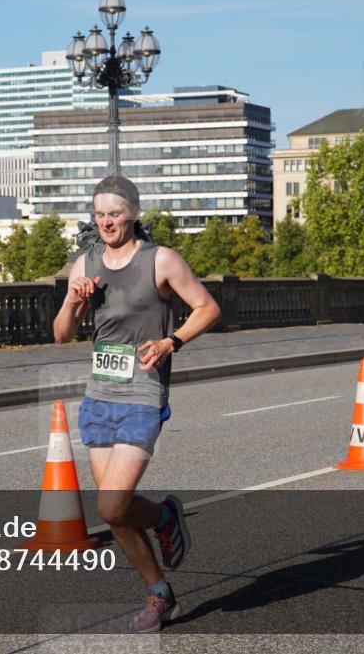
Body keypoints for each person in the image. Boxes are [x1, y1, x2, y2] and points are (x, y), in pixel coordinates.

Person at [53, 175, 221, 632]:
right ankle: (160, 590)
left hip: (143, 394)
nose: (107, 221)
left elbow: (207, 308)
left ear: (133, 215)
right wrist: (72, 300)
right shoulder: (84, 263)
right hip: (100, 396)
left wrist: (171, 341)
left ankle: (166, 518)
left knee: (111, 505)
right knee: (117, 511)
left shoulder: (160, 260)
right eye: (100, 214)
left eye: (115, 213)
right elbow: (62, 334)